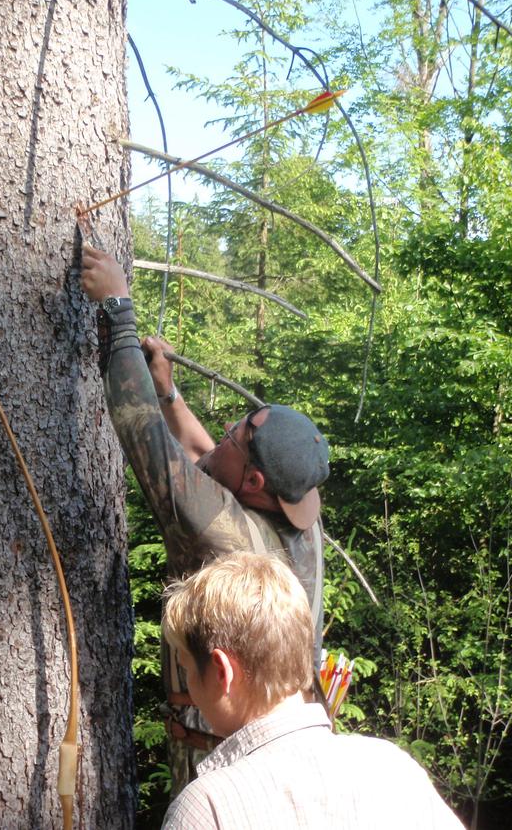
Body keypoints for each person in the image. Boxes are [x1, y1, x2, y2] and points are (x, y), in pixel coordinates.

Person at [80, 243, 331, 791]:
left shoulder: (229, 539)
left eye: (239, 435)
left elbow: (142, 429)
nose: (226, 433)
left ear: (255, 483)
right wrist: (169, 389)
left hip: (221, 764)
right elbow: (204, 459)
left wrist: (119, 312)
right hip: (292, 747)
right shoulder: (302, 521)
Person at [161, 551, 464, 829]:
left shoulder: (207, 807)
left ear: (221, 671)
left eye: (186, 667)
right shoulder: (393, 770)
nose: (190, 686)